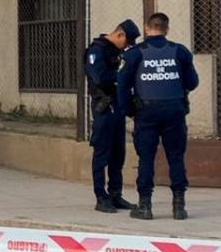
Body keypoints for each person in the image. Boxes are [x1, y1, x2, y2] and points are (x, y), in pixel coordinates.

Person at [116, 12, 199, 221]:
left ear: (146, 28)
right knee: (176, 157)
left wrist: (129, 110)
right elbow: (192, 82)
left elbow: (122, 86)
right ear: (167, 29)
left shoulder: (135, 54)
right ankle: (179, 206)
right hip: (174, 110)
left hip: (146, 112)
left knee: (146, 158)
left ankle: (145, 206)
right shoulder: (179, 51)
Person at [83, 19, 141, 213]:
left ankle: (115, 194)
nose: (128, 46)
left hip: (118, 107)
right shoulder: (96, 51)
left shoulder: (117, 52)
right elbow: (100, 77)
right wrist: (121, 77)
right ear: (120, 35)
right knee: (102, 153)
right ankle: (101, 196)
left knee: (118, 154)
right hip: (104, 108)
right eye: (127, 41)